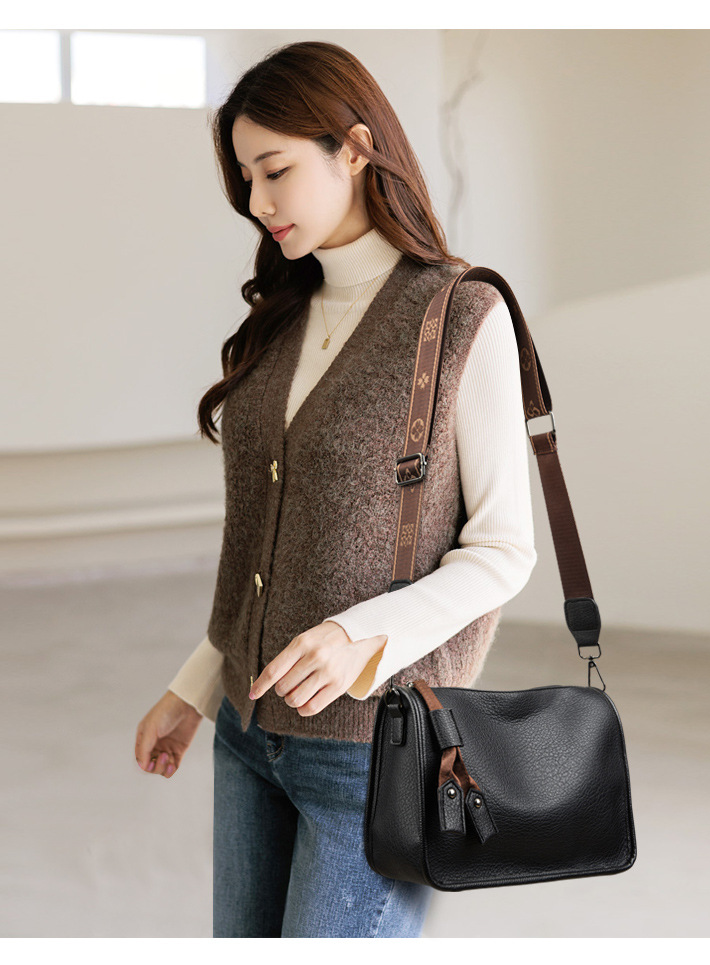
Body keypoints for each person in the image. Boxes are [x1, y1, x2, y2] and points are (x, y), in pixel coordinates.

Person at [134, 40, 537, 938]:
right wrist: (196, 685)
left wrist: (361, 634)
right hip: (247, 735)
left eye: (275, 170)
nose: (257, 201)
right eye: (245, 178)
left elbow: (505, 549)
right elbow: (259, 548)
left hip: (374, 755)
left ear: (354, 148)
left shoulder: (460, 315)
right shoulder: (279, 319)